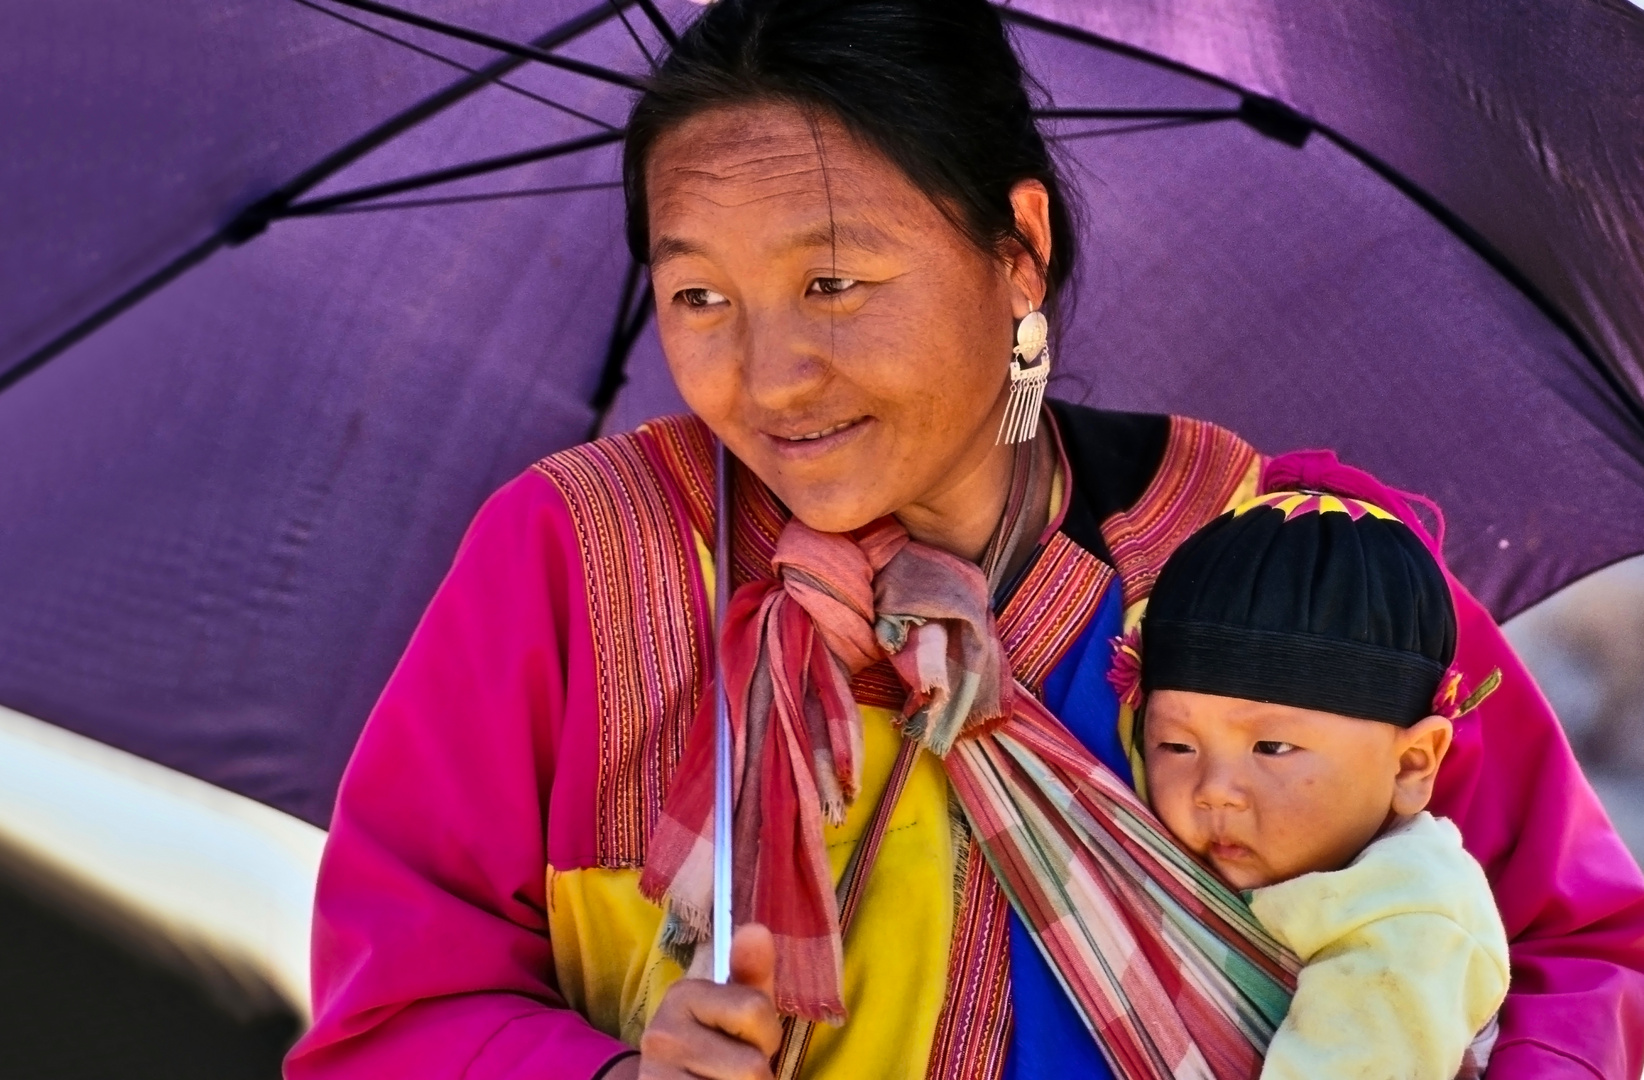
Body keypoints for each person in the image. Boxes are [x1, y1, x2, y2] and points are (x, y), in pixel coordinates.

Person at [283, 2, 1644, 1078]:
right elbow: (388, 1017)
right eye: (700, 294)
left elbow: (1589, 950)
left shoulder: (1269, 550)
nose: (769, 378)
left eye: (835, 281)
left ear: (1018, 248)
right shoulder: (578, 564)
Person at [1127, 489, 1510, 1079]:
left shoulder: (1409, 928)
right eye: (1176, 745)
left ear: (1411, 766)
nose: (1215, 789)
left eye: (1272, 747)